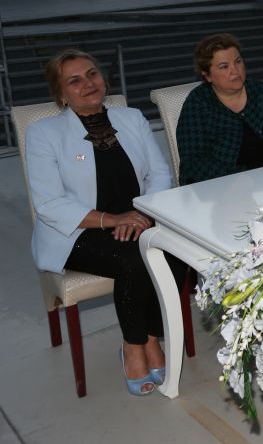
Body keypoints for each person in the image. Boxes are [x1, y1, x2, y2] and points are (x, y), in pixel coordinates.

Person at [25, 50, 182, 396]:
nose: (88, 83)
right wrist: (113, 220)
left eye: (92, 74)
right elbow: (49, 203)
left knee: (173, 251)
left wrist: (142, 216)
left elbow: (159, 174)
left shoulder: (131, 118)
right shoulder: (44, 133)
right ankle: (134, 346)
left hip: (138, 220)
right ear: (61, 95)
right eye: (74, 80)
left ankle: (150, 337)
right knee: (135, 259)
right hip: (77, 231)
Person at [176, 33, 263, 185]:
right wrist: (233, 179)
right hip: (222, 185)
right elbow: (193, 161)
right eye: (224, 66)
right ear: (207, 75)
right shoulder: (198, 104)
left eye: (238, 61)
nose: (235, 70)